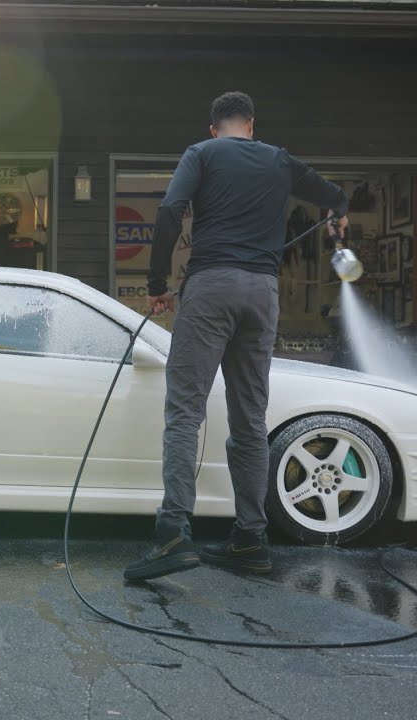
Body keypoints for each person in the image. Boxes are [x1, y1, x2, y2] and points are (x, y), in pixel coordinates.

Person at [124, 91, 349, 582]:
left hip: (211, 288)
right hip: (262, 294)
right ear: (250, 125)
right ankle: (250, 537)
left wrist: (158, 284)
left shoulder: (202, 153)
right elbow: (333, 194)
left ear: (214, 128)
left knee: (185, 413)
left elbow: (170, 211)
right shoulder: (279, 160)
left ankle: (173, 534)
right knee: (249, 420)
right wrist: (339, 210)